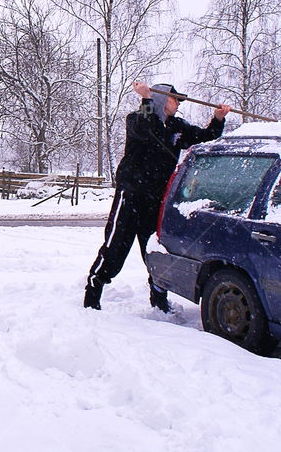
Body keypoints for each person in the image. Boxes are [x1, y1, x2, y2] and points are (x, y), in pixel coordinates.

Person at [84, 81, 230, 312]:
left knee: (155, 251)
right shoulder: (136, 119)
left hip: (156, 199)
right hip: (131, 194)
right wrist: (146, 99)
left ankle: (159, 298)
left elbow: (204, 137)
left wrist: (218, 119)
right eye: (175, 99)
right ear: (161, 99)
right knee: (115, 247)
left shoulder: (177, 126)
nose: (178, 103)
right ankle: (93, 292)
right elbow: (146, 129)